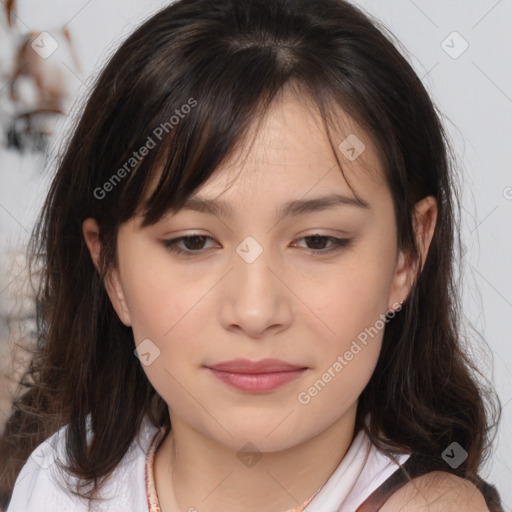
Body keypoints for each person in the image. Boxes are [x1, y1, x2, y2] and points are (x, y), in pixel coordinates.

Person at [0, 0, 504, 510]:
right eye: (193, 242)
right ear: (111, 270)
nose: (256, 311)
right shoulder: (53, 482)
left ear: (408, 254)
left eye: (318, 241)